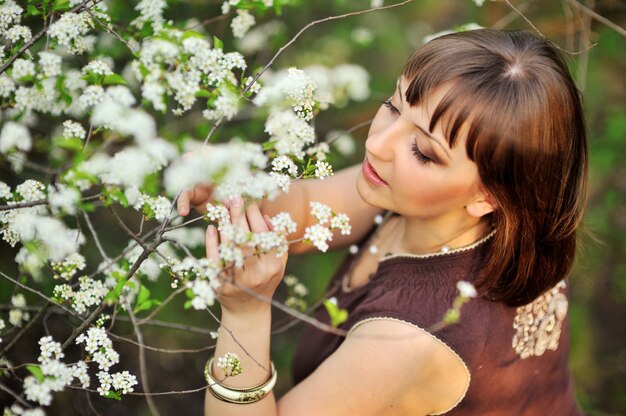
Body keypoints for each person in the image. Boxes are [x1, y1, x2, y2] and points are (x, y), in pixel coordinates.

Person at [177, 29, 586, 415]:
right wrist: (225, 187)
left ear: (488, 197)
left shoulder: (409, 340)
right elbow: (305, 208)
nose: (376, 144)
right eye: (393, 106)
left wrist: (245, 313)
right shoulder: (440, 201)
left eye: (423, 151)